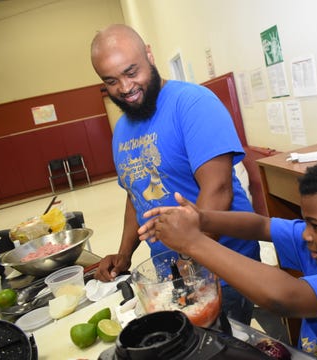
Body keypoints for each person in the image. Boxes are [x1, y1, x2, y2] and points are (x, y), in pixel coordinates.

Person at [139, 150, 317, 359]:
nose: (305, 234)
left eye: (315, 225)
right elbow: (261, 225)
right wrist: (202, 219)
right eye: (305, 222)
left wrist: (193, 242)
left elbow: (283, 298)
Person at [89, 24, 260, 324]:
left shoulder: (193, 103)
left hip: (223, 268)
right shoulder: (122, 131)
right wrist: (124, 254)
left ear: (150, 55)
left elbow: (218, 189)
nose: (126, 88)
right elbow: (135, 195)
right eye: (112, 81)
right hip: (172, 272)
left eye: (132, 72)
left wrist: (191, 261)